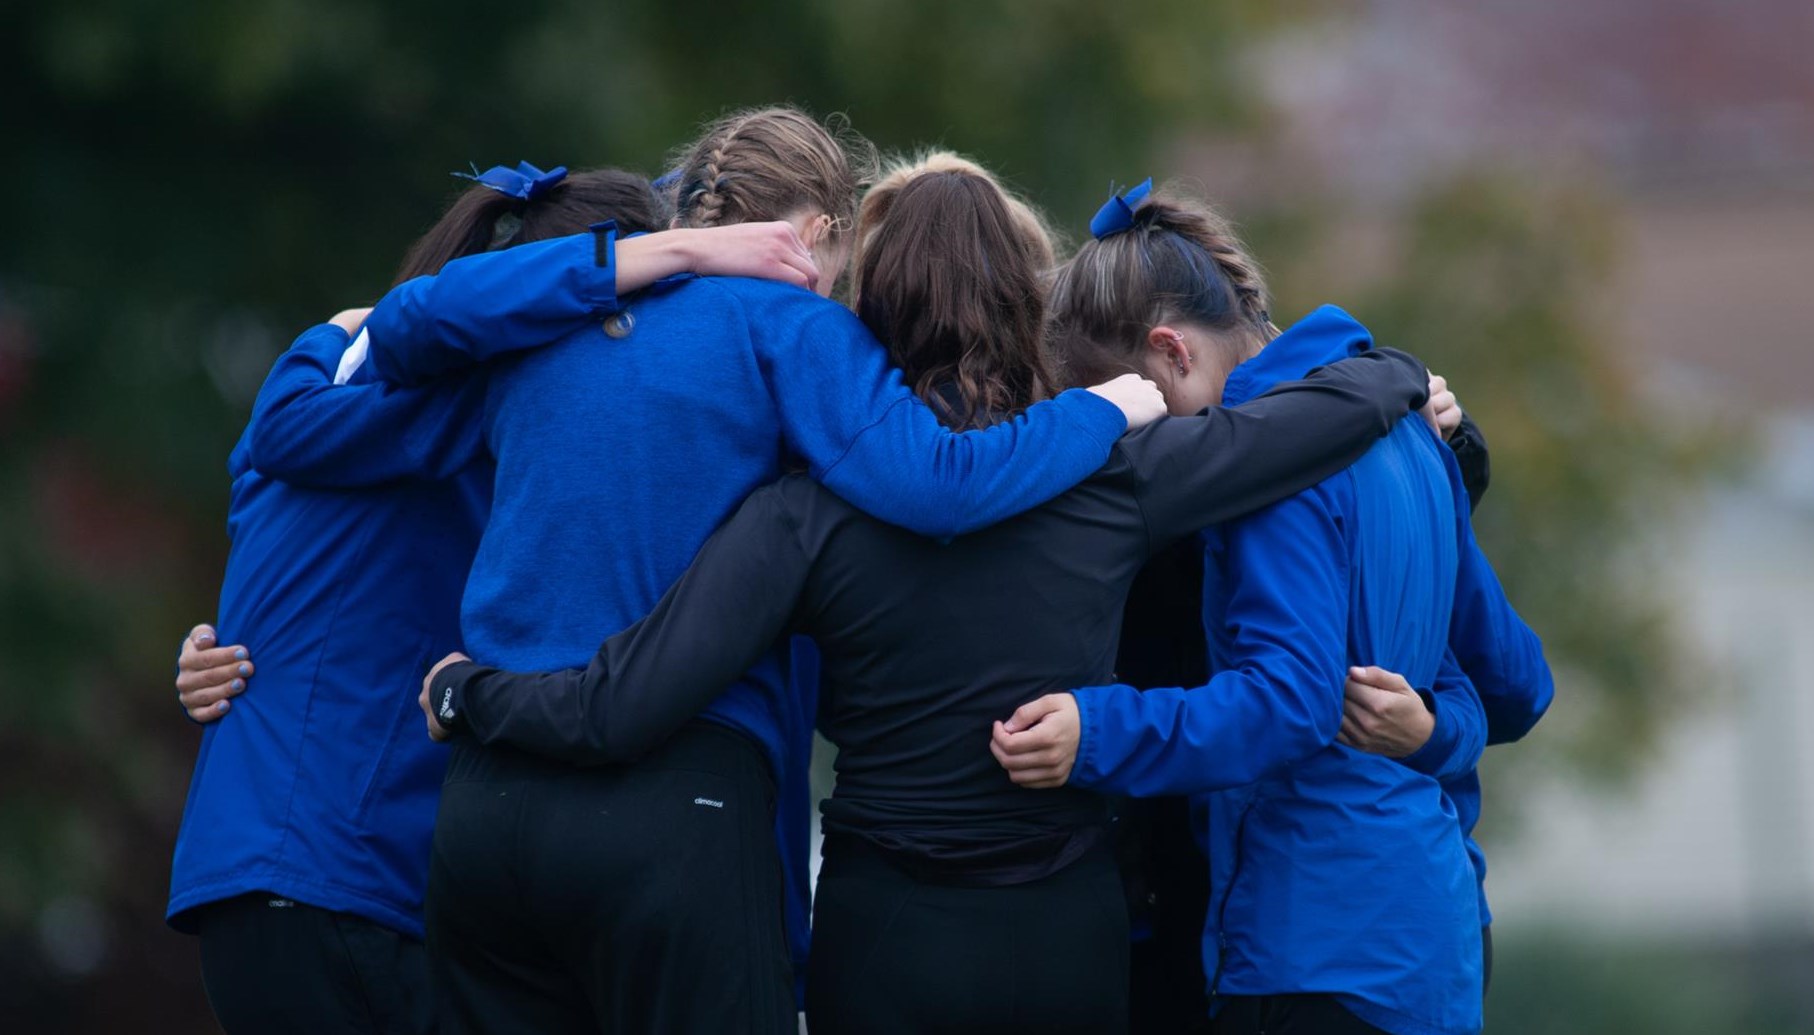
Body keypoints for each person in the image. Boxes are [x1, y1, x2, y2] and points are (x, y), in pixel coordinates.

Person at [407, 153, 1437, 1034]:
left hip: (886, 935)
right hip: (1065, 936)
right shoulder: (1118, 475)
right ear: (1028, 302)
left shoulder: (804, 516)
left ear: (865, 314)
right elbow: (1316, 416)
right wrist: (1398, 376)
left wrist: (472, 696)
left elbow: (622, 702)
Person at [166, 162, 820, 1035]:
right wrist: (690, 245)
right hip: (353, 883)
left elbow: (283, 492)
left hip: (254, 880)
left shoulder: (319, 383)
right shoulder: (467, 401)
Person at [991, 182, 1552, 1035]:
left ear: (1171, 351)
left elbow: (1289, 700)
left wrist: (1094, 730)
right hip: (1433, 940)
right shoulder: (1408, 431)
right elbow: (1512, 683)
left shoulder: (1266, 463)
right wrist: (1435, 729)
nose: (1142, 449)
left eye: (1136, 416)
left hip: (1313, 936)